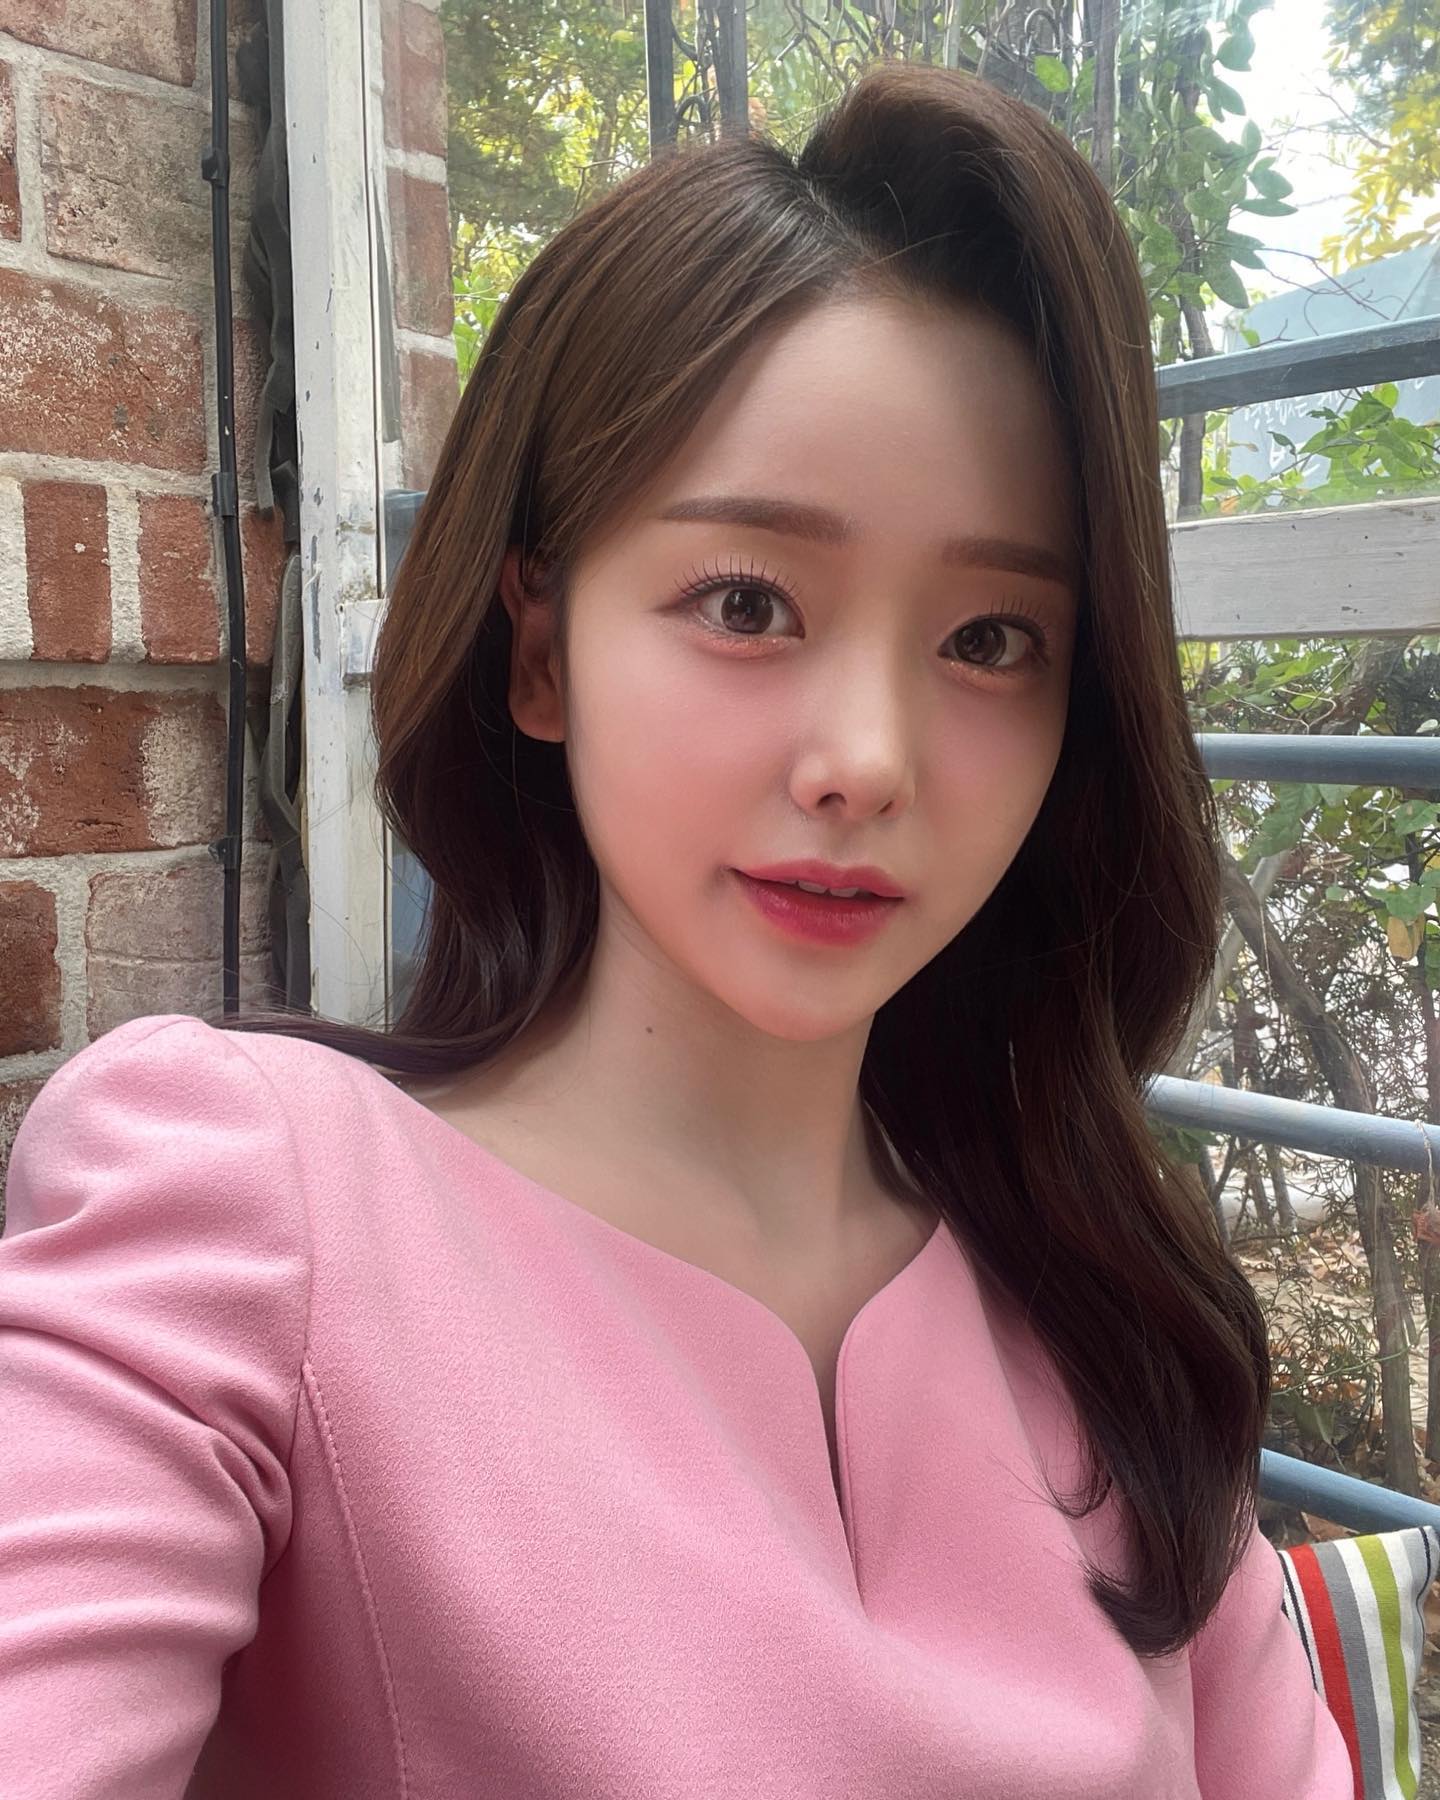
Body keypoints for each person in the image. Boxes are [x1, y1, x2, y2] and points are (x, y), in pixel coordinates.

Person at [0, 59, 1351, 1800]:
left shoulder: (1106, 1317)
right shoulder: (254, 1201)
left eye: (991, 640)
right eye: (748, 603)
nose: (867, 761)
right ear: (541, 649)